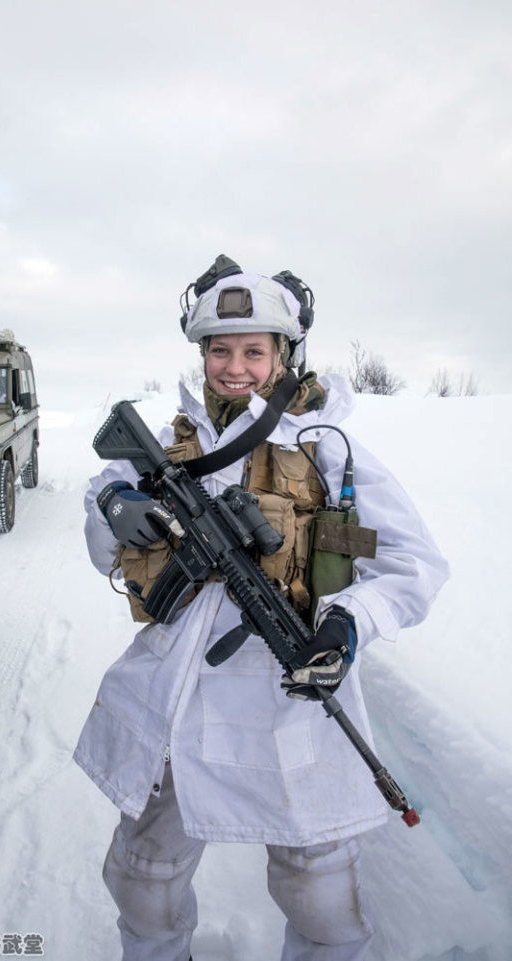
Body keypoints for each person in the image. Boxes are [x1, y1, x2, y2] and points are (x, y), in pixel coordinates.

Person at [74, 257, 450, 961]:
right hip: (178, 702)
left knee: (319, 895)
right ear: (201, 354)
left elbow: (412, 564)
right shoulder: (171, 441)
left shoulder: (324, 451)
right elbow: (101, 528)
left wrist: (347, 622)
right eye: (220, 349)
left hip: (285, 703)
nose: (235, 366)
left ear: (283, 354)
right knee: (142, 879)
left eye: (254, 350)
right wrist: (116, 507)